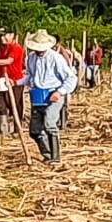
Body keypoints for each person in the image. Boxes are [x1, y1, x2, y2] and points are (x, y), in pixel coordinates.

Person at [19, 30, 77, 164]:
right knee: (34, 130)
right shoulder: (31, 58)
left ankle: (55, 157)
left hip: (53, 93)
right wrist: (16, 82)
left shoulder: (56, 58)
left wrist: (60, 92)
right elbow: (30, 77)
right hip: (37, 95)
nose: (39, 51)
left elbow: (70, 78)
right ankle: (47, 154)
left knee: (50, 123)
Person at [0, 28, 25, 135]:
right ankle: (3, 130)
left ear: (12, 35)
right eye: (0, 36)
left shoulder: (16, 48)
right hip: (2, 81)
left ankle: (17, 129)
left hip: (15, 80)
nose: (2, 38)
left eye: (4, 35)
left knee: (15, 104)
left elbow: (9, 61)